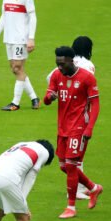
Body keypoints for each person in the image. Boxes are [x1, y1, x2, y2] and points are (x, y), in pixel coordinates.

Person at [44, 46, 103, 219]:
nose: (60, 67)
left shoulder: (87, 78)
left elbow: (95, 105)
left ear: (72, 60)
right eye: (57, 64)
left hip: (78, 127)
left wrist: (89, 127)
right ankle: (93, 188)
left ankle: (71, 207)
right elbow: (46, 100)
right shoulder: (56, 75)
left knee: (70, 165)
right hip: (62, 127)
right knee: (64, 166)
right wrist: (50, 97)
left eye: (62, 64)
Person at [46, 36, 95, 200]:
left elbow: (50, 78)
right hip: (77, 115)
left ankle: (77, 195)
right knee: (71, 161)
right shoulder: (88, 66)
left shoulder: (60, 69)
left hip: (73, 120)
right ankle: (82, 188)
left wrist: (56, 92)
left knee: (72, 159)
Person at [0, 0, 40, 111]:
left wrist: (31, 38)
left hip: (21, 38)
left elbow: (33, 17)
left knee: (17, 67)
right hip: (9, 38)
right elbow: (3, 15)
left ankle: (15, 103)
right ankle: (34, 98)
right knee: (15, 69)